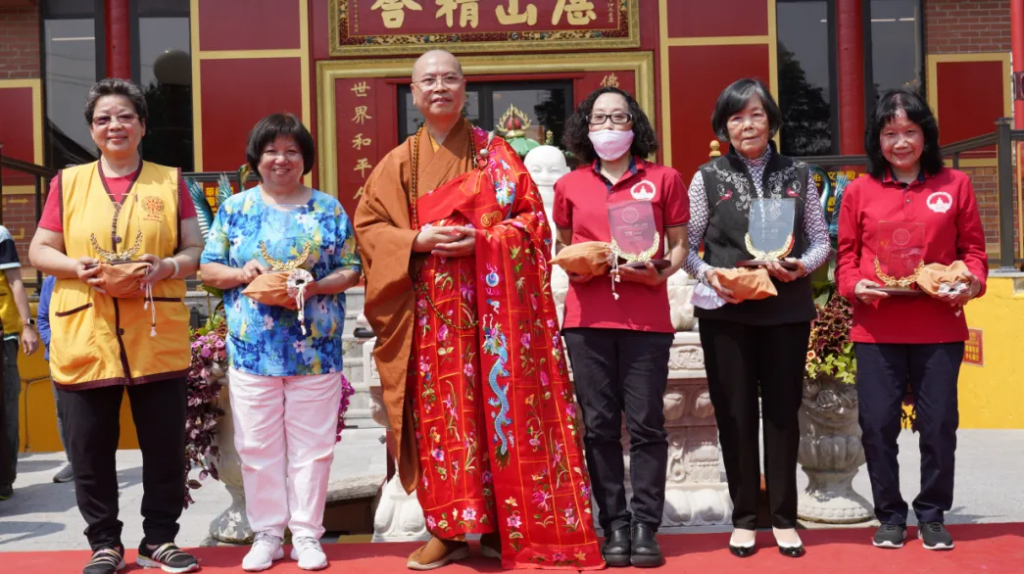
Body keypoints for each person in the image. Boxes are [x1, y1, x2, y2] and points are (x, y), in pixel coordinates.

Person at [355, 50, 603, 571]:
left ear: (464, 87)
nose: (439, 87)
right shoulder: (400, 162)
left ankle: (498, 524)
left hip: (498, 318)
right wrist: (417, 239)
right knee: (443, 424)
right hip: (430, 320)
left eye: (449, 78)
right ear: (414, 92)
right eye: (429, 80)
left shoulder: (498, 154)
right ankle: (445, 529)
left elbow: (534, 226)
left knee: (500, 418)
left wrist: (483, 242)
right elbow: (370, 230)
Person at [28, 78, 203, 574]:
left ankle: (159, 541)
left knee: (165, 447)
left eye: (125, 115)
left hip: (154, 333)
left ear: (143, 125)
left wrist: (166, 267)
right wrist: (73, 267)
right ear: (92, 130)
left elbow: (194, 250)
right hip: (87, 333)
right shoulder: (68, 182)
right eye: (104, 118)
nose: (115, 125)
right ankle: (104, 543)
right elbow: (40, 250)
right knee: (90, 449)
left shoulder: (170, 182)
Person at [200, 113, 362, 572]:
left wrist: (315, 285)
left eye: (292, 151)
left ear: (305, 159)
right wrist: (242, 273)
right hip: (253, 349)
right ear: (257, 158)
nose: (281, 159)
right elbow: (210, 268)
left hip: (316, 350)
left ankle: (307, 534)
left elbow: (352, 267)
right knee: (256, 446)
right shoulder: (236, 209)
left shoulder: (328, 208)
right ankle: (268, 533)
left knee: (313, 448)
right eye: (272, 150)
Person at [682, 78, 830, 559]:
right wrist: (714, 276)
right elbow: (685, 248)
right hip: (729, 312)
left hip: (787, 310)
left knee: (784, 415)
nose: (747, 125)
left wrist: (801, 267)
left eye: (756, 115)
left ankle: (785, 518)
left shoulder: (800, 174)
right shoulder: (706, 177)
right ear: (724, 126)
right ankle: (745, 517)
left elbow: (820, 240)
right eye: (736, 117)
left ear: (771, 120)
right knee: (736, 414)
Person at [837, 89, 987, 552]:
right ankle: (889, 514)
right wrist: (853, 286)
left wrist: (971, 283)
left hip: (938, 326)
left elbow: (975, 254)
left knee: (939, 423)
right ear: (876, 139)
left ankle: (933, 513)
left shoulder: (954, 186)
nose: (900, 142)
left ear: (926, 135)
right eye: (889, 133)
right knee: (877, 425)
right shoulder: (859, 191)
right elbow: (845, 258)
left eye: (909, 132)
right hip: (876, 326)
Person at [552, 86, 688, 568]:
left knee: (649, 425)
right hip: (587, 321)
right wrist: (585, 264)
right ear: (586, 128)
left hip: (646, 320)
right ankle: (614, 523)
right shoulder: (570, 186)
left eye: (619, 117)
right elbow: (564, 246)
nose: (610, 127)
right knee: (600, 427)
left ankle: (647, 525)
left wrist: (661, 272)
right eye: (600, 118)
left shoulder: (664, 178)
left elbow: (678, 247)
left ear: (636, 126)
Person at [0, 224, 41, 496]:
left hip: (3, 335)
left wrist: (27, 325)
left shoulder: (0, 235)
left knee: (5, 408)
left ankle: (4, 479)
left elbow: (15, 279)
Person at [36, 274, 73, 483]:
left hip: (89, 357)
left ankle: (92, 461)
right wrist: (54, 343)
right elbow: (42, 319)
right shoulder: (50, 281)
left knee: (91, 410)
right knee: (62, 410)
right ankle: (74, 463)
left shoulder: (89, 276)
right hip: (57, 357)